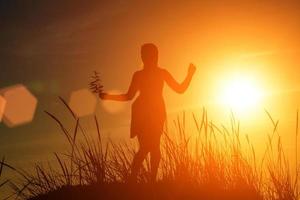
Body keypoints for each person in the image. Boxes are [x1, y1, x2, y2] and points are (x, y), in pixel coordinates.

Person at [99, 43, 196, 182]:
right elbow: (129, 96)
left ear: (156, 56)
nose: (147, 57)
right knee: (146, 148)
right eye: (144, 54)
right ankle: (134, 180)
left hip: (157, 112)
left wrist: (190, 75)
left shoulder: (162, 73)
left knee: (154, 148)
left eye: (150, 54)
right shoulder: (138, 75)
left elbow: (180, 89)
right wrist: (109, 97)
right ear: (142, 57)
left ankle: (149, 181)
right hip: (141, 113)